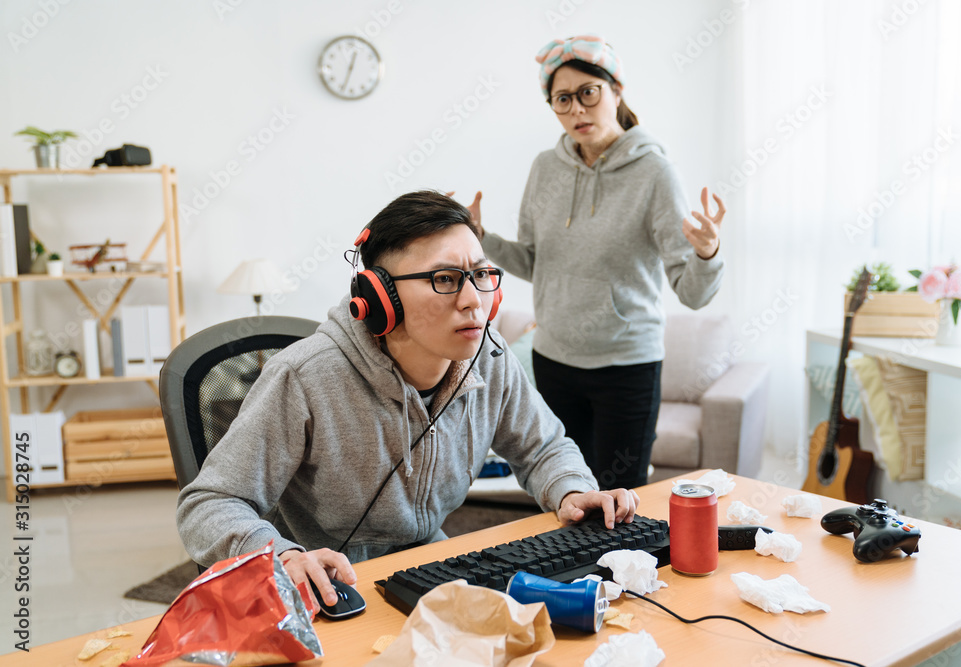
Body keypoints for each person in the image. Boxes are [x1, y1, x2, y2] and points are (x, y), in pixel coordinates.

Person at [176, 190, 640, 610]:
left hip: (429, 569)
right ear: (381, 298)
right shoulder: (304, 377)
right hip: (322, 591)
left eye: (480, 275)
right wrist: (280, 555)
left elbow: (543, 447)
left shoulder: (489, 356)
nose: (473, 300)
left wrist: (573, 489)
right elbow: (209, 502)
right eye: (445, 278)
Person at [471, 35, 727, 491]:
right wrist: (482, 240)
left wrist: (706, 253)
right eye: (562, 99)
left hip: (626, 370)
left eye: (588, 93)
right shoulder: (545, 168)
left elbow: (693, 292)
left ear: (616, 91)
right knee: (561, 494)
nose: (577, 110)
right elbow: (534, 263)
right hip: (554, 362)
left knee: (619, 500)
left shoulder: (655, 173)